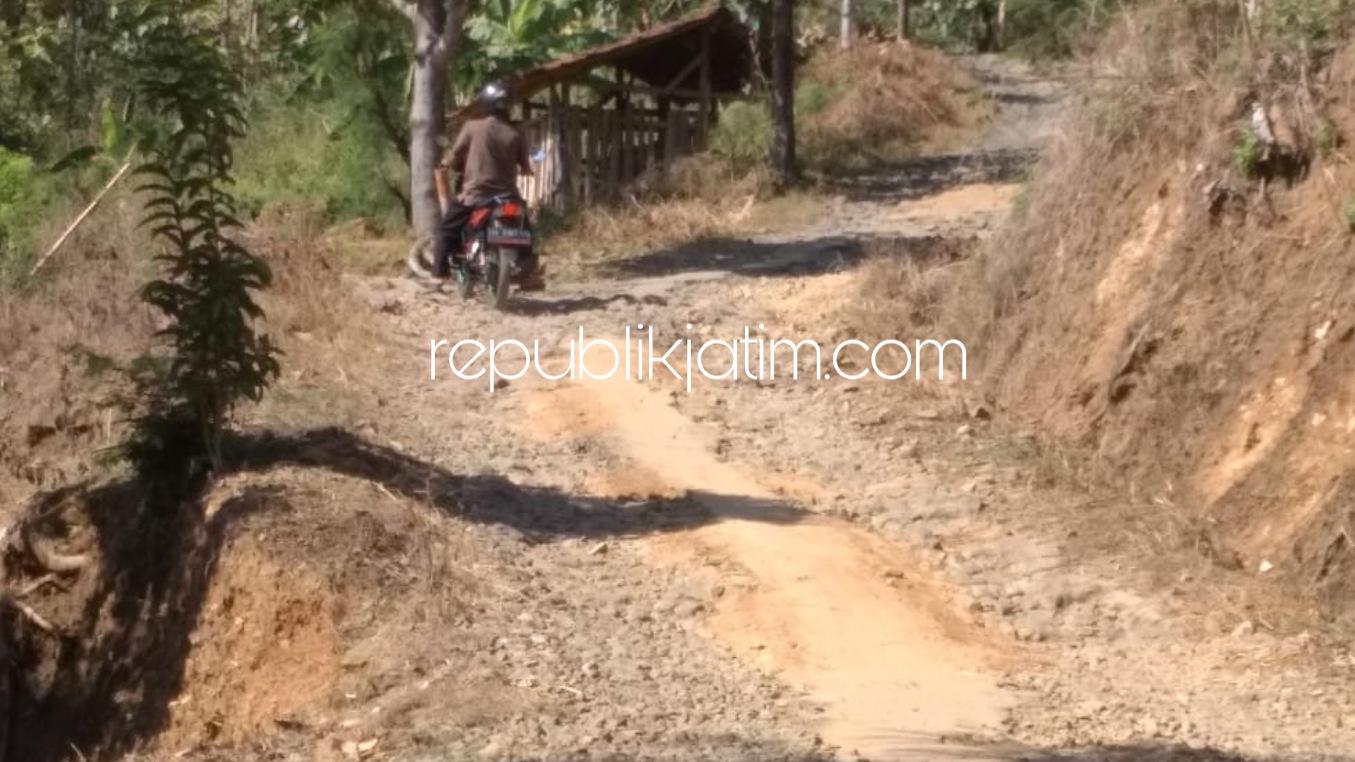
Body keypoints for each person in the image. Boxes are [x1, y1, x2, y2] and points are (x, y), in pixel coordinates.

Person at [428, 81, 535, 287]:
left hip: (476, 196)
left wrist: (444, 164)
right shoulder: (515, 133)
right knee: (527, 230)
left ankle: (438, 275)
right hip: (507, 197)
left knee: (446, 230)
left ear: (485, 103)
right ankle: (528, 274)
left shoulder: (471, 127)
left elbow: (454, 155)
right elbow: (526, 167)